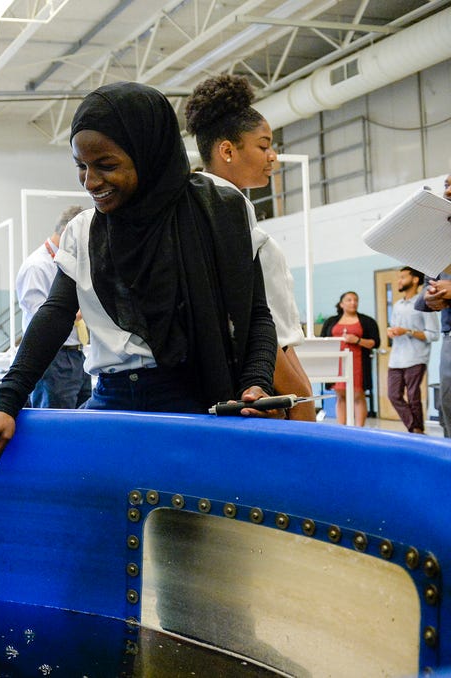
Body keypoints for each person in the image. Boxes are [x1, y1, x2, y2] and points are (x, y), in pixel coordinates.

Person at [0, 81, 278, 466]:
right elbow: (54, 316)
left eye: (106, 166)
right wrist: (6, 402)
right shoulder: (85, 230)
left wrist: (256, 382)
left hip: (196, 404)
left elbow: (256, 313)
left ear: (149, 155)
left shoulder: (220, 211)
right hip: (112, 401)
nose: (91, 182)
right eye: (81, 166)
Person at [185, 74, 316, 422]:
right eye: (263, 145)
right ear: (227, 150)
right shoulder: (222, 202)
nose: (272, 155)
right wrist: (300, 394)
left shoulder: (229, 204)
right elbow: (245, 312)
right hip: (262, 359)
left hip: (268, 354)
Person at [15, 205, 91, 408]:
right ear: (69, 233)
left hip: (76, 353)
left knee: (82, 420)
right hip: (53, 357)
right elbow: (43, 316)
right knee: (57, 422)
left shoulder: (69, 263)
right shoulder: (37, 266)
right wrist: (84, 311)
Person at [415, 174, 451, 437]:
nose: (448, 191)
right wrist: (430, 298)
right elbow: (424, 296)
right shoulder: (441, 241)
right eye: (447, 185)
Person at [385, 267, 440, 433]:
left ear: (415, 279)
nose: (399, 281)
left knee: (413, 397)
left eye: (403, 277)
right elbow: (394, 327)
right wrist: (391, 331)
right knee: (393, 395)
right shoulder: (397, 305)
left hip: (416, 358)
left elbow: (434, 335)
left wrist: (407, 331)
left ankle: (416, 432)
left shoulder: (424, 304)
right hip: (396, 359)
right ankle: (415, 428)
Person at [319, 292, 379, 426]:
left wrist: (356, 340)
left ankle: (359, 429)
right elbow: (323, 339)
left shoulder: (367, 321)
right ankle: (341, 428)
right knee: (340, 396)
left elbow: (375, 342)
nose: (353, 302)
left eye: (355, 300)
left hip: (357, 362)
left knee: (358, 395)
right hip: (337, 362)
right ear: (341, 304)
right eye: (349, 300)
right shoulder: (331, 321)